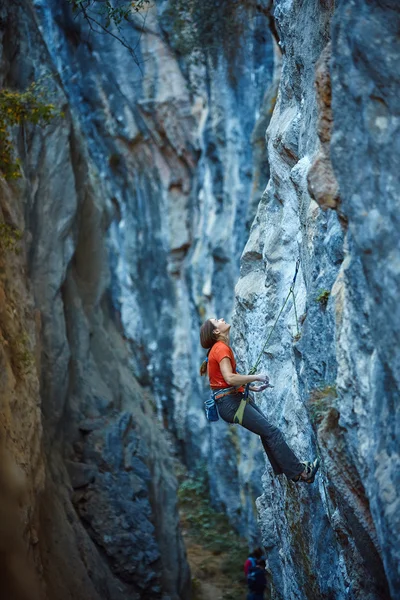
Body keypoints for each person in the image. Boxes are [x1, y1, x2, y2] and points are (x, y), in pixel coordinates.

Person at [199, 317, 320, 483]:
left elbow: (224, 382)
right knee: (271, 432)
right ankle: (300, 473)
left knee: (267, 432)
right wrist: (257, 377)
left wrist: (253, 387)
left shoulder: (219, 348)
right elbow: (230, 378)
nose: (221, 319)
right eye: (216, 320)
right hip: (231, 403)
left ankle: (290, 470)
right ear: (216, 331)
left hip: (230, 400)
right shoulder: (220, 348)